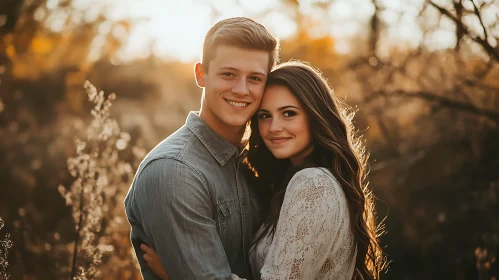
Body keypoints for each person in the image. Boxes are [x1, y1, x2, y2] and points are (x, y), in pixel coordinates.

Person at [142, 61, 386, 279]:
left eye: (289, 113)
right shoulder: (300, 180)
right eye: (264, 116)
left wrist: (183, 272)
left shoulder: (312, 184)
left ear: (315, 115)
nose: (274, 127)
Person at [124, 17, 279, 279]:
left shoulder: (258, 160)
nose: (241, 90)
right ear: (201, 74)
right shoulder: (173, 172)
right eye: (228, 74)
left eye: (254, 78)